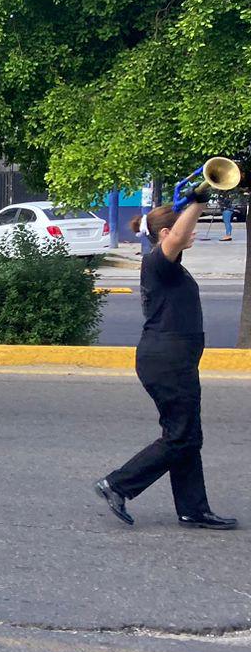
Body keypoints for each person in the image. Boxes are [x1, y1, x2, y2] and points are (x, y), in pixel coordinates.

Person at [95, 197, 237, 530]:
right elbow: (176, 238)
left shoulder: (170, 267)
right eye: (188, 227)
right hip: (167, 361)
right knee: (181, 436)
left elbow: (177, 238)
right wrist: (198, 203)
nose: (194, 231)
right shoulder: (157, 261)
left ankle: (193, 509)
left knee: (187, 435)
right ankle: (117, 484)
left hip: (174, 360)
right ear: (165, 234)